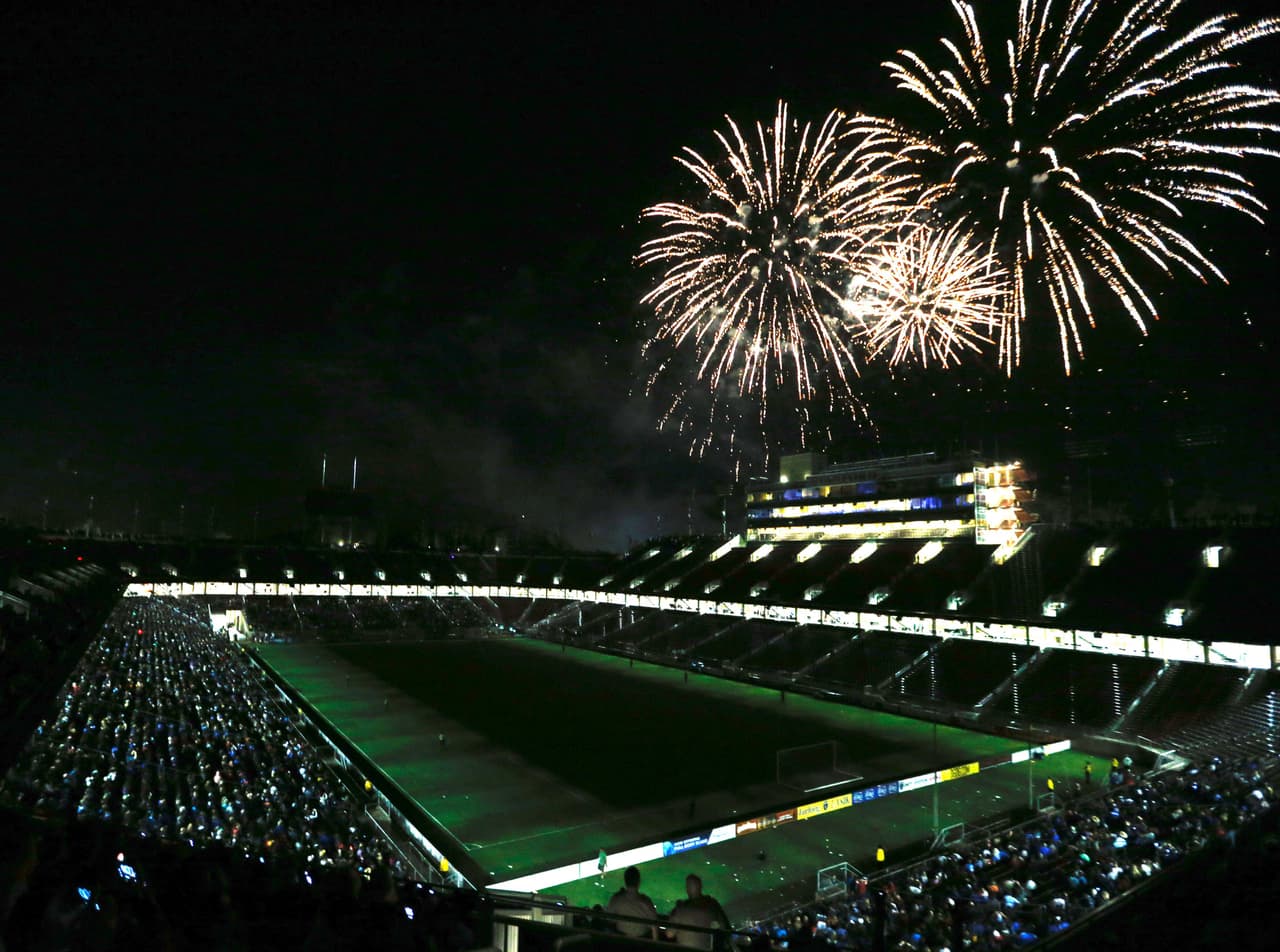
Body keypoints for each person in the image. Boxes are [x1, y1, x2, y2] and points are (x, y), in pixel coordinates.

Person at [667, 874, 730, 949]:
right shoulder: (712, 904)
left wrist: (674, 912)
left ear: (687, 889)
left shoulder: (682, 908)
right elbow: (724, 926)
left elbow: (669, 934)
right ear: (700, 887)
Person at [605, 866, 658, 939]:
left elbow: (609, 918)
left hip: (622, 941)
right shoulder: (646, 902)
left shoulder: (617, 898)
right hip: (641, 942)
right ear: (639, 881)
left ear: (625, 881)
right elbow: (654, 925)